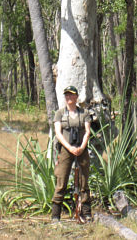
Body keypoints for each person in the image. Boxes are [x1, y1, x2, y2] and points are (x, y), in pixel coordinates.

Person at [51, 85, 92, 223]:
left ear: (76, 97)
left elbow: (87, 131)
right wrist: (69, 147)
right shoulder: (60, 113)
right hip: (65, 149)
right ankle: (55, 215)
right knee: (61, 180)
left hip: (81, 149)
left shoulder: (84, 113)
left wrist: (81, 147)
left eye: (72, 95)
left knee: (83, 181)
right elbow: (58, 133)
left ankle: (86, 213)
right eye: (67, 95)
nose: (69, 97)